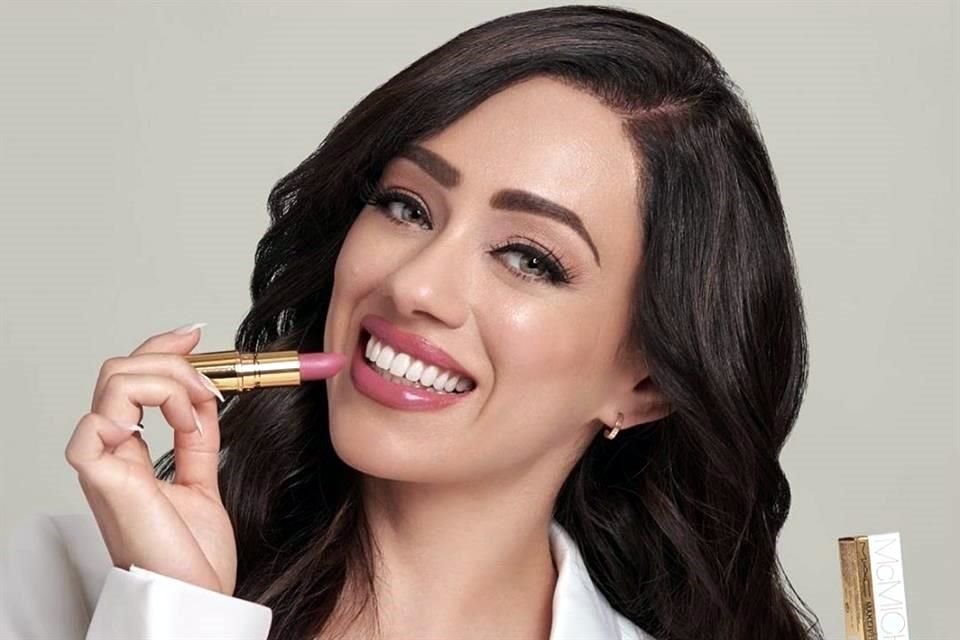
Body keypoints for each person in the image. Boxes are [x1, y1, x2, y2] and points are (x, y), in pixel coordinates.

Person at [0, 5, 825, 639]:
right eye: (407, 206)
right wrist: (178, 611)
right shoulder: (65, 588)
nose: (415, 284)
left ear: (644, 385)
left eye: (529, 258)